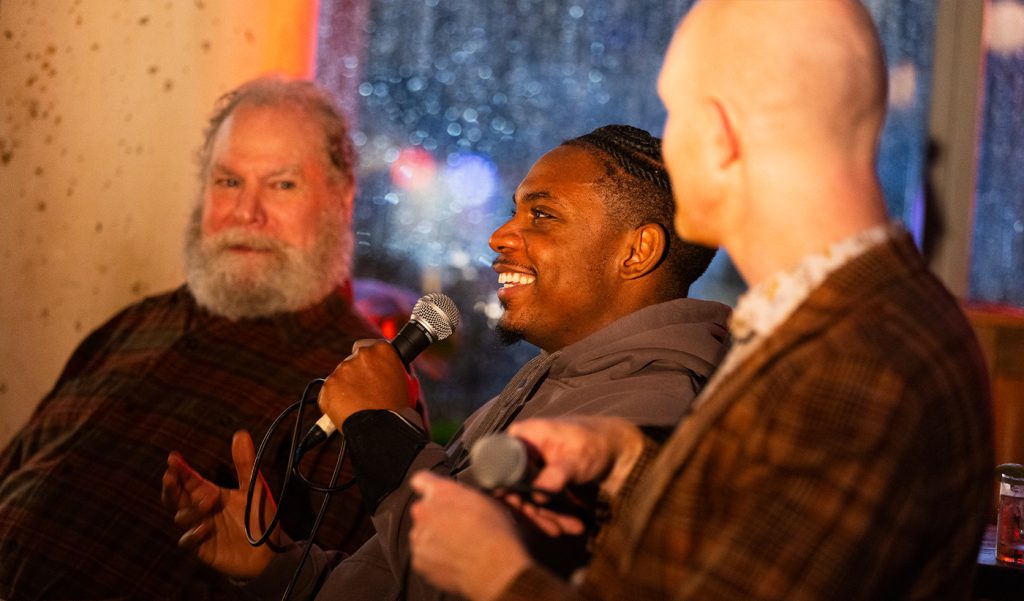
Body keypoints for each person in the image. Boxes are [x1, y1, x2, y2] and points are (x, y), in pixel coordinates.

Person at [405, 2, 995, 600]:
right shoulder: (857, 316)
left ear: (719, 133)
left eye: (675, 113)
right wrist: (633, 467)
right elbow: (760, 535)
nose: (668, 140)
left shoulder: (860, 367)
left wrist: (497, 574)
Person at [161, 124, 732, 600]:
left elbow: (479, 586)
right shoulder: (550, 381)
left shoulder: (656, 413)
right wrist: (279, 569)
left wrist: (380, 432)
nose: (499, 235)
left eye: (543, 215)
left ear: (637, 251)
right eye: (515, 211)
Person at [0, 77, 386, 600]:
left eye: (281, 185)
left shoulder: (364, 380)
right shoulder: (136, 323)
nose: (246, 213)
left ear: (341, 199)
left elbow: (347, 587)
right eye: (228, 182)